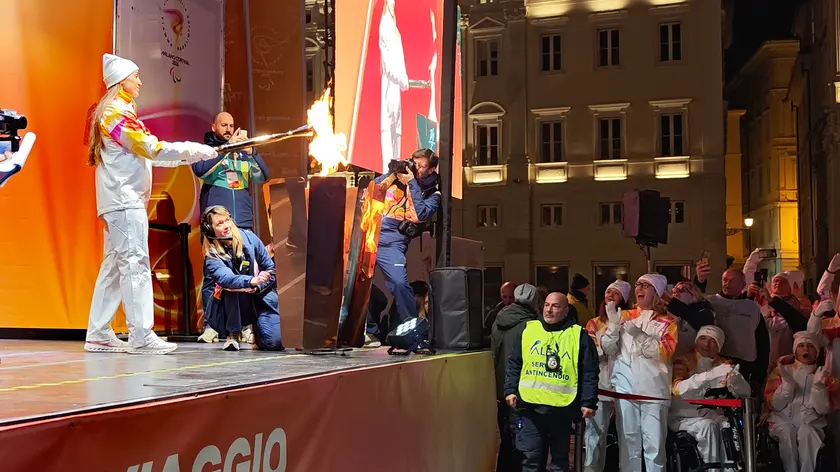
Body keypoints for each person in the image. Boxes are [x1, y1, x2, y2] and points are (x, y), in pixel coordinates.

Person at [84, 53, 218, 354]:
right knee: (135, 264)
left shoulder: (117, 111)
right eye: (136, 77)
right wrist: (192, 150)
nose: (140, 82)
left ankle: (99, 332)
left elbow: (148, 154)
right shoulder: (116, 113)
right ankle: (141, 335)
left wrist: (191, 155)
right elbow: (151, 148)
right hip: (124, 200)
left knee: (114, 267)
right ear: (121, 81)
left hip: (120, 200)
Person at [193, 112, 270, 343]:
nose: (228, 129)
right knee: (213, 275)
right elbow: (200, 169)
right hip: (216, 225)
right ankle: (211, 325)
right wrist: (227, 148)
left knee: (244, 274)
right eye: (224, 125)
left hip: (242, 222)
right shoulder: (207, 149)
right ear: (214, 127)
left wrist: (252, 151)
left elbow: (263, 176)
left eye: (231, 125)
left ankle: (243, 325)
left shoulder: (243, 151)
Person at [504, 292, 600, 472]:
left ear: (566, 310)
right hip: (530, 406)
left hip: (561, 409)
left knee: (559, 461)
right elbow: (515, 362)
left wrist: (588, 402)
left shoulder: (578, 335)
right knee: (529, 458)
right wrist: (510, 389)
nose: (549, 310)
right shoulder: (528, 330)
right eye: (547, 305)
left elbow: (589, 371)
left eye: (555, 306)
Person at [601, 273, 679, 472]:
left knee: (654, 447)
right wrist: (612, 327)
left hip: (654, 393)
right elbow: (607, 348)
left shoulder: (668, 322)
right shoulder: (624, 316)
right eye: (638, 285)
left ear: (657, 292)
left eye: (645, 285)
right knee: (628, 447)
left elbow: (664, 352)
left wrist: (641, 335)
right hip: (625, 390)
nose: (639, 289)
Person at [365, 149, 440, 347]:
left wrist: (412, 183)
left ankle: (412, 330)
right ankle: (369, 330)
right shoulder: (395, 178)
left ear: (431, 169)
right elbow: (371, 192)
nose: (416, 168)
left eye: (422, 166)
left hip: (393, 241)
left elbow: (421, 214)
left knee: (399, 283)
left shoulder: (433, 192)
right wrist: (392, 173)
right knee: (357, 283)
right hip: (370, 233)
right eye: (414, 163)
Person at [201, 205, 283, 351]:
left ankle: (258, 330)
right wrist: (251, 281)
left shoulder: (249, 238)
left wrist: (259, 284)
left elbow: (271, 269)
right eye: (220, 223)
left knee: (274, 343)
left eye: (227, 220)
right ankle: (233, 333)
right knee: (232, 287)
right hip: (232, 304)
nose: (226, 226)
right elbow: (226, 278)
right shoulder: (212, 256)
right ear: (210, 229)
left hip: (259, 296)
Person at [669, 325, 751, 469]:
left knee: (728, 426)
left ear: (719, 347)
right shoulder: (683, 360)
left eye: (713, 341)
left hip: (711, 415)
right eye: (703, 338)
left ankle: (730, 468)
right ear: (696, 341)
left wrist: (736, 382)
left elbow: (745, 393)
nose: (706, 344)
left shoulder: (723, 364)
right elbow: (679, 389)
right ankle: (712, 468)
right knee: (708, 427)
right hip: (683, 416)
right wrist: (709, 375)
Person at [765, 331, 839, 472]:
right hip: (782, 422)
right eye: (801, 346)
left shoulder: (823, 375)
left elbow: (823, 410)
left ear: (816, 353)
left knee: (807, 433)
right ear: (795, 351)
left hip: (811, 424)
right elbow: (775, 405)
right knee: (787, 433)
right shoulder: (781, 371)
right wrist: (787, 387)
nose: (805, 349)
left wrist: (818, 388)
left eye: (810, 346)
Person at [491, 284, 540, 472]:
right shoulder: (531, 325)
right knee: (522, 435)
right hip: (521, 388)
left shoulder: (498, 319)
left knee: (506, 433)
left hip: (500, 386)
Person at [584, 280, 631, 472]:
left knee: (627, 435)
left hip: (626, 386)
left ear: (624, 299)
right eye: (608, 291)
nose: (610, 295)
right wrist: (607, 346)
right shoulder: (594, 323)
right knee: (594, 434)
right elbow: (593, 353)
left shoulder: (630, 322)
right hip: (601, 385)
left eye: (616, 293)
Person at [707, 268, 770, 387]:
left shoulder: (752, 307)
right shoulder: (710, 302)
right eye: (725, 280)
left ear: (743, 284)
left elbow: (762, 340)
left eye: (732, 280)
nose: (727, 284)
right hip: (717, 362)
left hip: (745, 363)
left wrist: (760, 373)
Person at [750, 271, 810, 371]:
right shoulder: (763, 304)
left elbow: (799, 322)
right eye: (776, 281)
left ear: (790, 286)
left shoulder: (797, 306)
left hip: (788, 360)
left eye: (782, 282)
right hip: (764, 360)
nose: (778, 283)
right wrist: (748, 297)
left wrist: (772, 301)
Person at [379, 0, 408, 173]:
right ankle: (388, 167)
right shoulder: (386, 26)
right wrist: (399, 77)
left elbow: (398, 57)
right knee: (389, 121)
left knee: (396, 122)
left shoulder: (394, 29)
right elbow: (387, 57)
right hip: (391, 81)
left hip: (396, 82)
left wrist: (403, 78)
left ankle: (395, 163)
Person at [665, 279, 716, 356]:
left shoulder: (705, 312)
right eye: (674, 290)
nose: (676, 292)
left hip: (693, 359)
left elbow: (695, 318)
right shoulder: (668, 311)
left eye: (682, 290)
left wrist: (669, 300)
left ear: (694, 295)